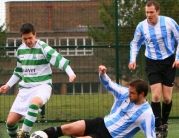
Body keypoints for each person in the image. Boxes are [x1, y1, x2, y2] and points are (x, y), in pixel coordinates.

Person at [0, 23, 76, 138]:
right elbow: (19, 71)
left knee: (34, 105)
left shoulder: (43, 47)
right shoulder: (20, 50)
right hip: (25, 89)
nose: (28, 41)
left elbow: (59, 59)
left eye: (30, 38)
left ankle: (23, 134)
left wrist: (70, 72)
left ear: (35, 34)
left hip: (42, 86)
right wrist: (8, 85)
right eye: (25, 39)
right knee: (10, 123)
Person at [41, 65, 156, 138]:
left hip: (108, 136)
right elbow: (109, 84)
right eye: (129, 91)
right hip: (100, 123)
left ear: (142, 94)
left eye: (132, 93)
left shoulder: (146, 114)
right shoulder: (125, 93)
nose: (129, 94)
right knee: (65, 129)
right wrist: (103, 74)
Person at [128, 0, 179, 138]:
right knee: (156, 95)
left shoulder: (169, 23)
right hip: (152, 62)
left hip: (169, 62)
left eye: (151, 12)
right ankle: (157, 127)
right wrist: (132, 59)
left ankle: (165, 123)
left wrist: (178, 57)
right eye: (147, 12)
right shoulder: (141, 26)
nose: (149, 15)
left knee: (167, 98)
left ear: (158, 11)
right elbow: (135, 43)